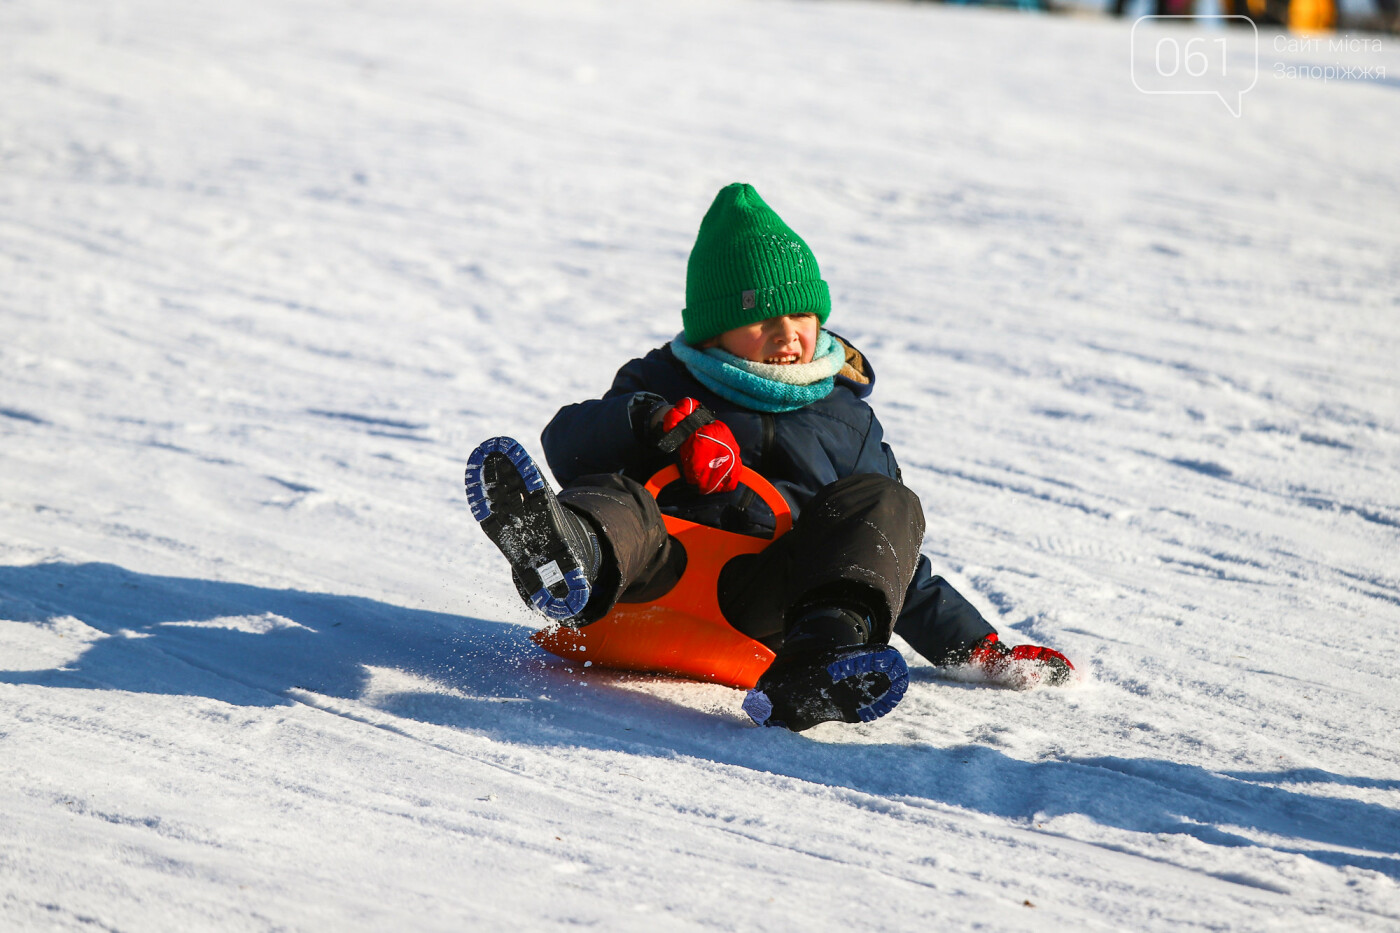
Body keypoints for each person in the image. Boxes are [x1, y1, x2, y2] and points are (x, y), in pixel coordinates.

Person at [465, 183, 1074, 732]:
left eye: (801, 314)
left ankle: (823, 657)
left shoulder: (846, 419)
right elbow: (565, 444)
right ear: (713, 330)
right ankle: (564, 556)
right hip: (644, 580)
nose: (787, 335)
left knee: (885, 503)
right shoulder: (663, 380)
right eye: (759, 318)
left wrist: (974, 648)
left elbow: (888, 556)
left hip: (762, 610)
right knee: (616, 496)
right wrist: (654, 423)